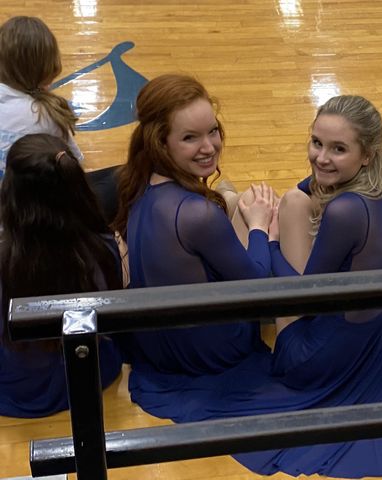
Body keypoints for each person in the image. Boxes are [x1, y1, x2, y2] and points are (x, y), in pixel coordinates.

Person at [203, 95, 382, 478]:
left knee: (267, 208)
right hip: (380, 348)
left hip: (325, 363)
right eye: (317, 143)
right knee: (280, 202)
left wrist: (269, 236)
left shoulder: (346, 211)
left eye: (338, 149)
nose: (321, 157)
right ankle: (232, 199)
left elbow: (305, 297)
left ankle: (230, 200)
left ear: (367, 155)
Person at [111, 74, 276, 416]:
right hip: (210, 354)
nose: (209, 147)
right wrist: (261, 229)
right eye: (190, 138)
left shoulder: (137, 181)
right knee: (260, 210)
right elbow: (258, 287)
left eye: (212, 131)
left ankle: (232, 197)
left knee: (231, 201)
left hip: (158, 345)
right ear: (161, 142)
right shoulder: (197, 214)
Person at [0, 133, 123, 418]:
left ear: (12, 194)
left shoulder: (6, 261)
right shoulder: (104, 245)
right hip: (92, 374)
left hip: (22, 388)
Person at [0, 15, 119, 222]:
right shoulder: (45, 115)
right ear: (47, 66)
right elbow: (74, 169)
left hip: (13, 218)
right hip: (32, 225)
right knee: (127, 178)